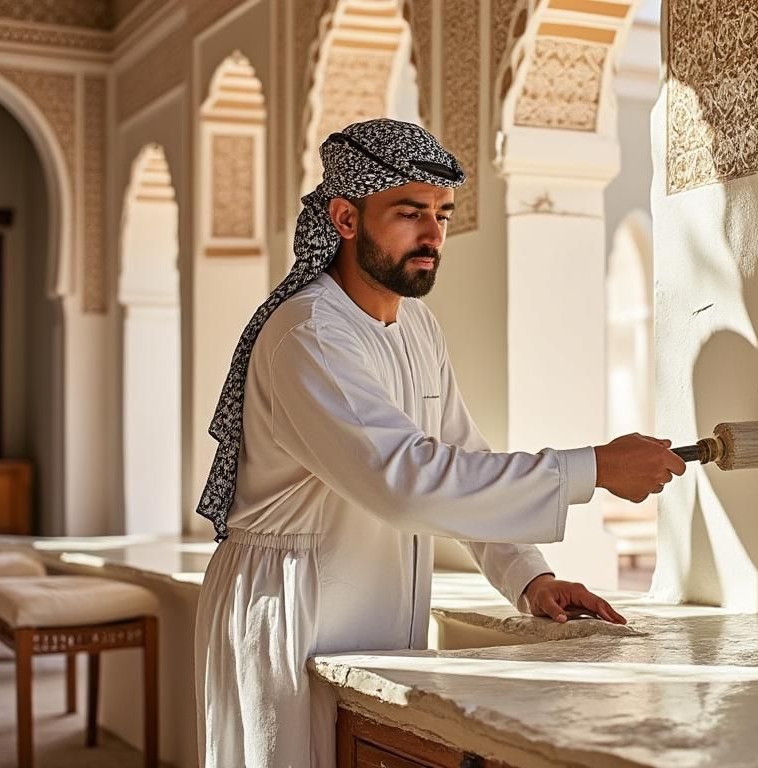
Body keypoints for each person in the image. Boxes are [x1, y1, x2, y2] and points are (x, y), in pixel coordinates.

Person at [192, 118, 684, 768]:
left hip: (374, 619)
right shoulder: (309, 334)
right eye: (409, 213)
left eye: (443, 214)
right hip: (291, 612)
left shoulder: (417, 324)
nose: (433, 235)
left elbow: (461, 458)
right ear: (345, 217)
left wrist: (529, 576)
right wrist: (592, 468)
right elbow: (407, 482)